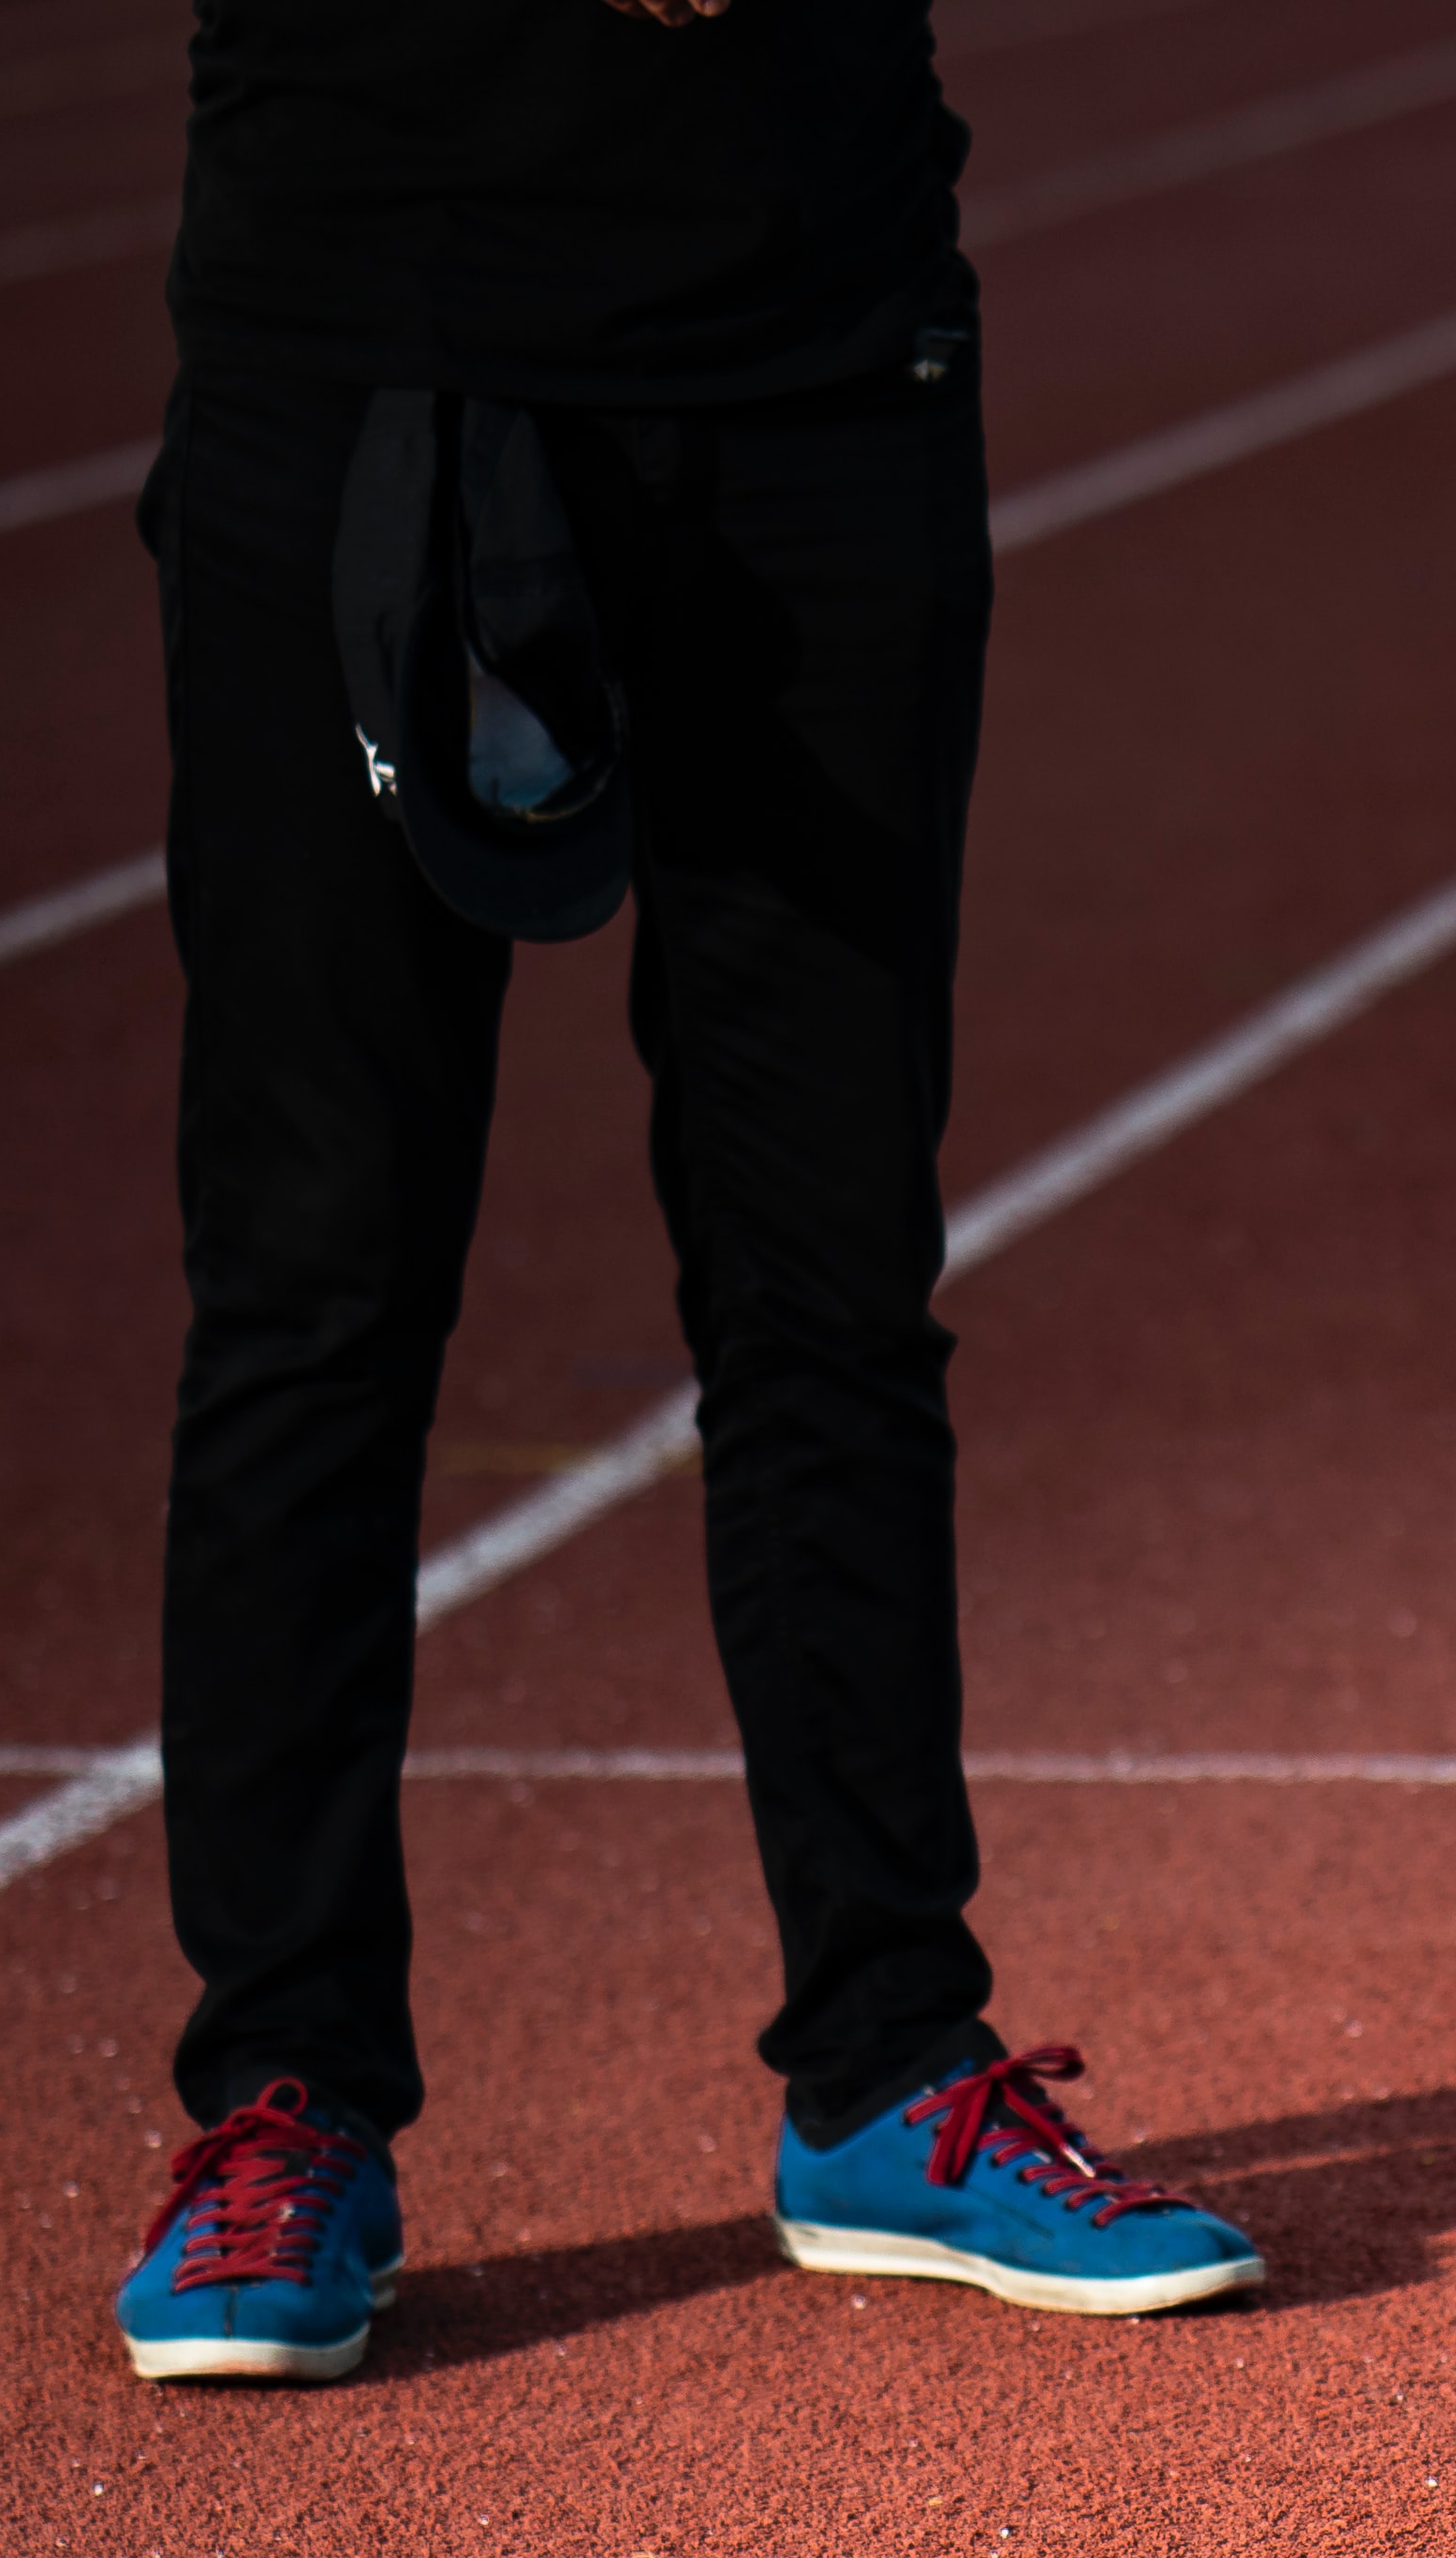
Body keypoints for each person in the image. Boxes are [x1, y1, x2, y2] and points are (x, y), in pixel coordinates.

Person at [110, 0, 1256, 2382]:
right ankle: (283, 2103)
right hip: (367, 334)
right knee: (317, 1276)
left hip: (810, 363)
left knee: (826, 1268)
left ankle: (887, 2065)